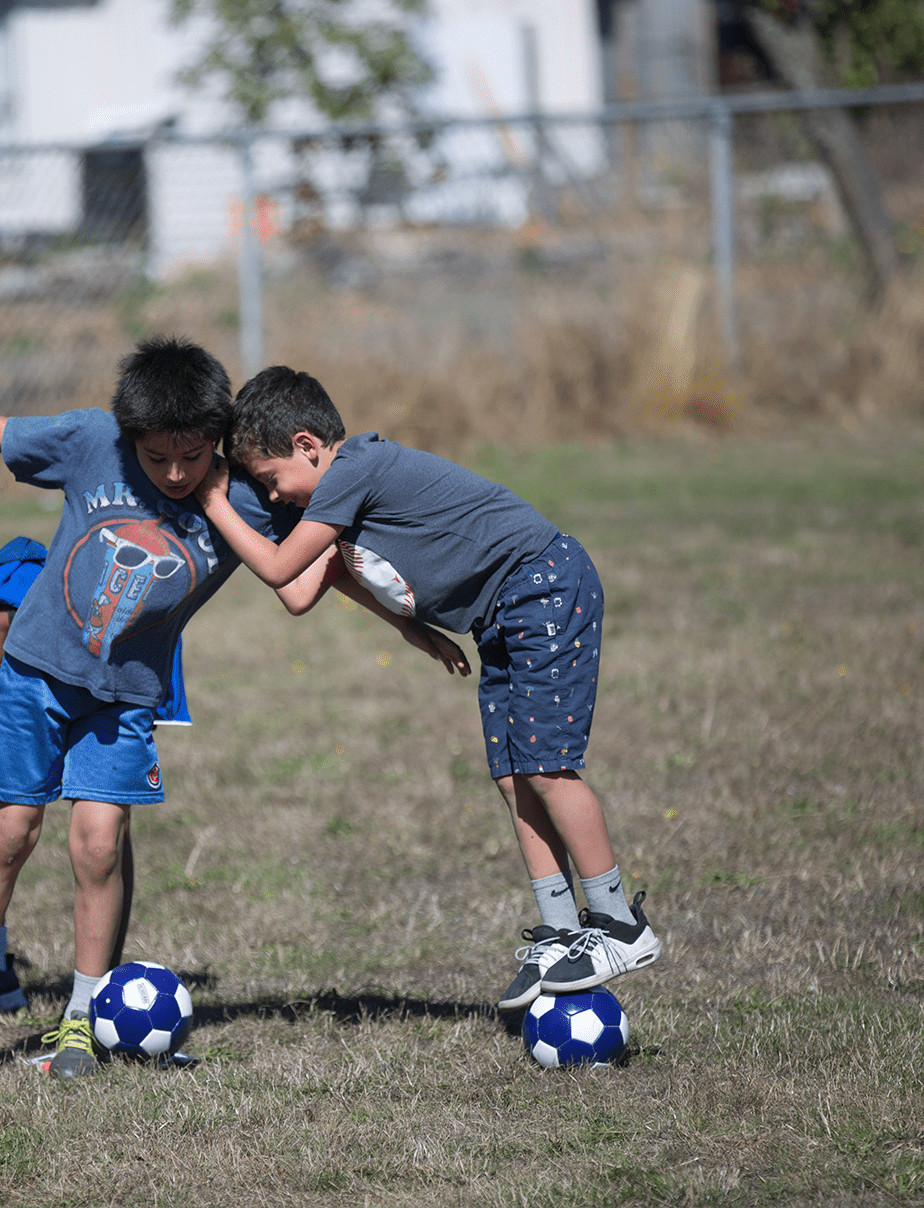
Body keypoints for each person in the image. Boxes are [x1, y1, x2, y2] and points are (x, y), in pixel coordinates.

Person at [0, 337, 442, 1081]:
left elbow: (315, 565)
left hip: (126, 697)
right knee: (9, 833)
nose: (173, 472)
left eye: (190, 456)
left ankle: (81, 1021)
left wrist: (407, 625)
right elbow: (0, 430)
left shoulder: (243, 497)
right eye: (157, 456)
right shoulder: (94, 441)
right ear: (129, 435)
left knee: (99, 844)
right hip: (34, 676)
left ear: (216, 439)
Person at [196, 366, 660, 1011]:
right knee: (512, 774)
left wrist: (215, 500)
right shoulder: (338, 500)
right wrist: (411, 626)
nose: (270, 499)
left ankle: (619, 925)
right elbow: (301, 591)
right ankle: (560, 928)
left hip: (544, 587)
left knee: (548, 768)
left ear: (307, 445)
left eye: (271, 481)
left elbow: (279, 565)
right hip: (503, 616)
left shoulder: (354, 471)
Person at [0, 536, 197, 994]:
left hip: (115, 665)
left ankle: (103, 977)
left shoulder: (47, 615)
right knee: (3, 815)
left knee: (107, 826)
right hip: (42, 665)